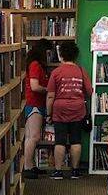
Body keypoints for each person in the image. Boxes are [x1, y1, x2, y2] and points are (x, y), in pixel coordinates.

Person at [46, 40, 93, 180]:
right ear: (75, 55)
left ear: (61, 55)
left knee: (59, 141)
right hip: (78, 109)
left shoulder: (56, 72)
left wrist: (49, 113)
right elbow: (89, 92)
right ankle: (75, 171)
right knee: (76, 140)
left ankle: (58, 171)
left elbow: (50, 96)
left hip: (59, 109)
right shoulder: (81, 71)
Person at [22, 39, 52, 179]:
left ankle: (31, 164)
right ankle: (27, 167)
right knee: (32, 137)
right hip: (34, 103)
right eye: (48, 53)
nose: (50, 56)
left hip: (36, 103)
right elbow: (34, 86)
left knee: (33, 137)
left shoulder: (36, 65)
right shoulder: (35, 65)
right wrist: (48, 90)